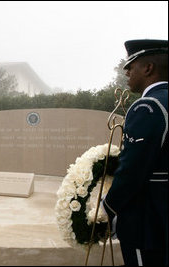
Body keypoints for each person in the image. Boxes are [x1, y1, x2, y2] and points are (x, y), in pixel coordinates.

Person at [102, 39, 168, 266]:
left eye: (131, 65)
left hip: (149, 220)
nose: (127, 71)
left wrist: (107, 207)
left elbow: (133, 171)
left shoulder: (147, 106)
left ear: (148, 68)